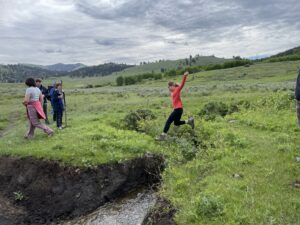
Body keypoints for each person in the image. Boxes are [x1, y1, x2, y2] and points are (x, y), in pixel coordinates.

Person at [156, 71, 194, 141]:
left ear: (173, 86)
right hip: (177, 109)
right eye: (168, 87)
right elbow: (174, 100)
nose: (169, 89)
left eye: (170, 87)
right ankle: (189, 121)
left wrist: (184, 76)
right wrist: (165, 105)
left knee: (168, 121)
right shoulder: (172, 92)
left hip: (178, 109)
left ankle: (163, 136)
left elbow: (182, 85)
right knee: (176, 123)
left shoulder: (177, 89)